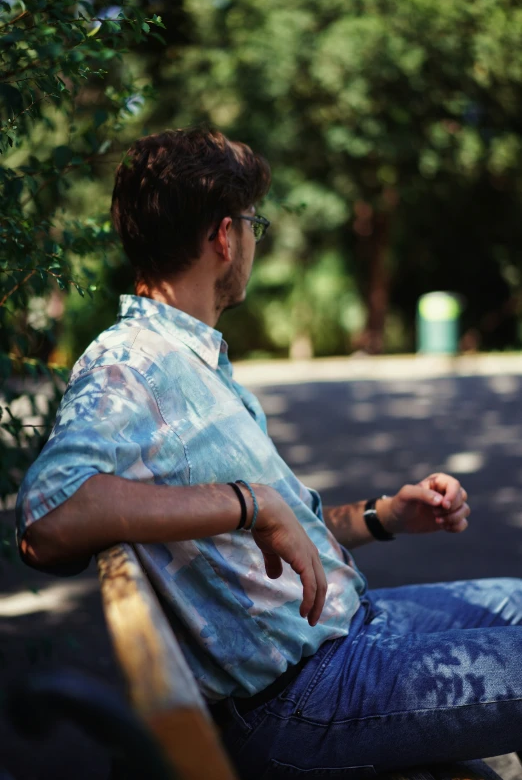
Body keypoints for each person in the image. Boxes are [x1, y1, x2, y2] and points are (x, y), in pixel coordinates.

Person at [16, 127, 522, 779]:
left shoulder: (195, 361)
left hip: (351, 635)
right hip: (309, 695)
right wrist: (248, 503)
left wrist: (386, 515)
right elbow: (48, 514)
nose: (256, 240)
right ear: (225, 237)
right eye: (256, 223)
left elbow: (284, 526)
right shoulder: (129, 361)